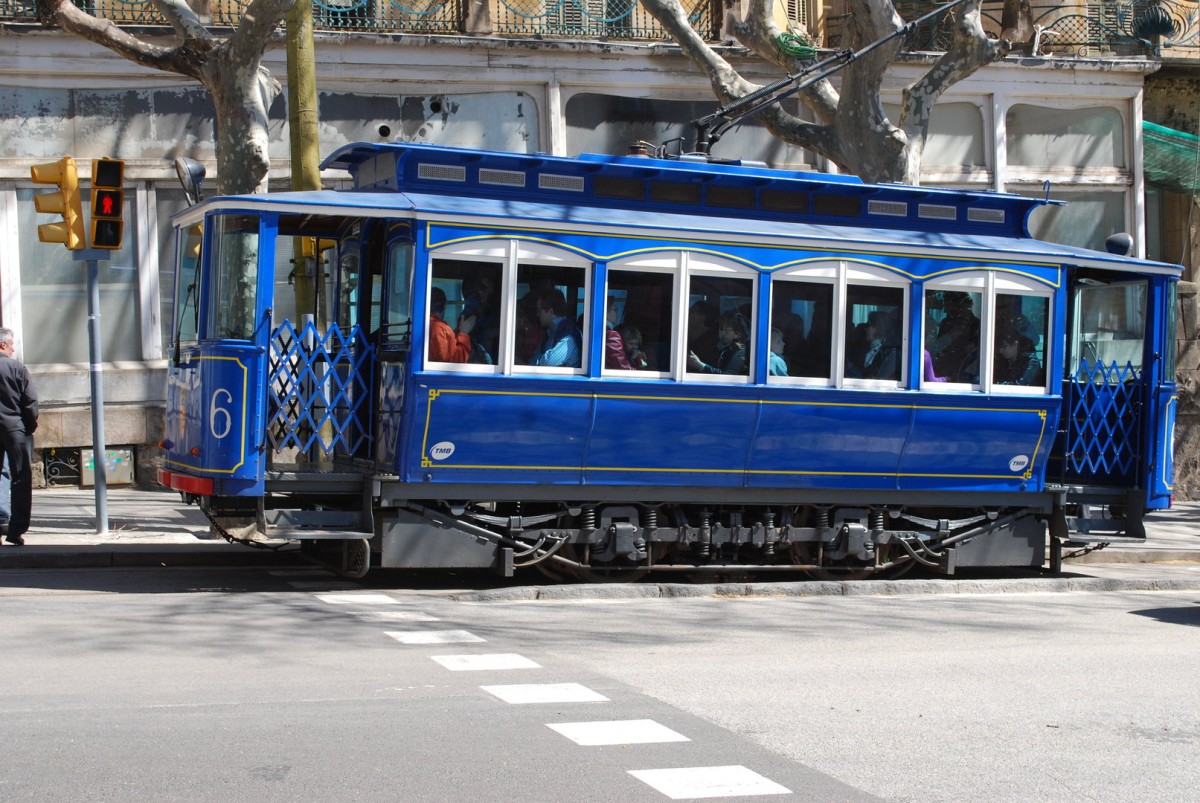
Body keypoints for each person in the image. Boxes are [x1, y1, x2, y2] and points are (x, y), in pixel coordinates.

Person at [0, 328, 37, 546]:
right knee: (21, 477)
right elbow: (30, 401)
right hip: (15, 428)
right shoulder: (16, 368)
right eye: (12, 343)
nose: (14, 347)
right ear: (3, 345)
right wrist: (29, 427)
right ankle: (16, 530)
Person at [530, 289, 582, 367]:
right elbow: (533, 360)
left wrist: (537, 361)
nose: (537, 314)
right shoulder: (549, 333)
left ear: (550, 311)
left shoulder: (569, 336)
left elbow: (548, 362)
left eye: (539, 311)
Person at [427, 287, 475, 363]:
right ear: (445, 306)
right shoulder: (439, 328)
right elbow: (454, 362)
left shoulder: (424, 324)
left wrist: (456, 333)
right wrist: (464, 334)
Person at [605, 298, 632, 370]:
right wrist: (634, 360)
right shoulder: (611, 335)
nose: (617, 313)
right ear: (606, 313)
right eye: (614, 310)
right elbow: (623, 367)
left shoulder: (603, 332)